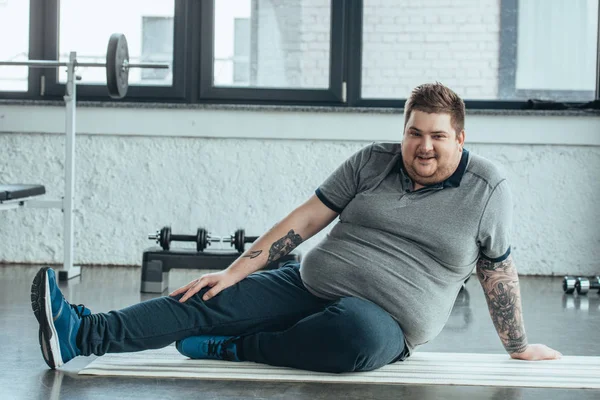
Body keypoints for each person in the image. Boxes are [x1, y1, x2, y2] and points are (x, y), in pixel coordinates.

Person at [31, 82, 562, 373]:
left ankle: (238, 347)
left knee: (351, 337)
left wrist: (518, 347)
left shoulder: (488, 189)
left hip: (387, 323)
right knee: (204, 297)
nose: (424, 146)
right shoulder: (373, 161)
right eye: (414, 132)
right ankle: (80, 334)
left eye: (438, 136)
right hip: (308, 281)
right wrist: (236, 272)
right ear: (402, 131)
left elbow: (497, 271)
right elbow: (306, 219)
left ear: (460, 138)